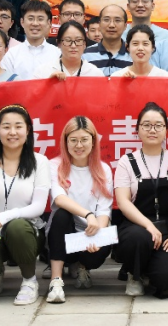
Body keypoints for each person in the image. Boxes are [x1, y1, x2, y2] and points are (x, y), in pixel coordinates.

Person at [0, 105, 51, 305]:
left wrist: (5, 216)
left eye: (18, 126)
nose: (12, 132)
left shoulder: (39, 162)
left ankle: (29, 281)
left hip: (27, 231)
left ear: (28, 130)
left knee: (16, 226)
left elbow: (39, 206)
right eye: (6, 127)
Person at [113, 103, 168, 298]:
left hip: (167, 226)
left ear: (166, 130)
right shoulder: (127, 161)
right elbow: (123, 202)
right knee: (138, 238)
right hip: (136, 225)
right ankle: (133, 273)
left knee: (166, 279)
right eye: (146, 125)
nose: (152, 130)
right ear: (137, 129)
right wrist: (148, 225)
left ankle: (149, 269)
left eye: (158, 125)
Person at [45, 117, 114, 303]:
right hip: (63, 234)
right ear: (65, 141)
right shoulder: (54, 165)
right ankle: (56, 280)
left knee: (99, 249)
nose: (79, 145)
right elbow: (59, 198)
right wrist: (88, 214)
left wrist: (98, 236)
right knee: (62, 214)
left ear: (93, 141)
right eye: (73, 140)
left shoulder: (103, 169)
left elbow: (104, 210)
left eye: (84, 140)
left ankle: (83, 266)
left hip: (89, 234)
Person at [2, 0, 61, 78]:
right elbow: (6, 82)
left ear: (49, 23)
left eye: (40, 19)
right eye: (30, 19)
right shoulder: (11, 55)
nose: (35, 23)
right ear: (22, 22)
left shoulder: (58, 54)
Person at [34, 22, 105, 79]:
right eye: (68, 40)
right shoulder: (42, 72)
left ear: (84, 44)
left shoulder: (95, 74)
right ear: (58, 43)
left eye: (78, 40)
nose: (73, 46)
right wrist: (48, 84)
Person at [82, 5, 132, 76]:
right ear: (100, 24)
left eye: (117, 20)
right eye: (106, 20)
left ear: (125, 26)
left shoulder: (133, 55)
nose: (111, 25)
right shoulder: (85, 55)